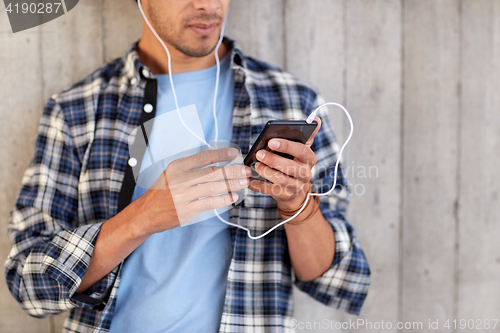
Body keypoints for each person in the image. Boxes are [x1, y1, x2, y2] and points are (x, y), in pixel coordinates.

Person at [4, 0, 371, 332]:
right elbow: (27, 284)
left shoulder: (294, 101)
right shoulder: (76, 111)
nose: (208, 6)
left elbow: (335, 279)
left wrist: (299, 209)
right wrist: (142, 217)